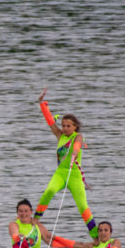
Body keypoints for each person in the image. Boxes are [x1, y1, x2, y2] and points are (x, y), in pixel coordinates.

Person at [33, 88, 98, 239]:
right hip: (60, 173)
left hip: (74, 175)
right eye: (63, 125)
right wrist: (41, 103)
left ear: (75, 127)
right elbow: (50, 121)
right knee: (49, 191)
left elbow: (76, 147)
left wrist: (74, 155)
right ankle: (35, 220)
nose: (65, 128)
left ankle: (95, 236)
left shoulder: (78, 137)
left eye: (69, 126)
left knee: (82, 206)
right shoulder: (59, 135)